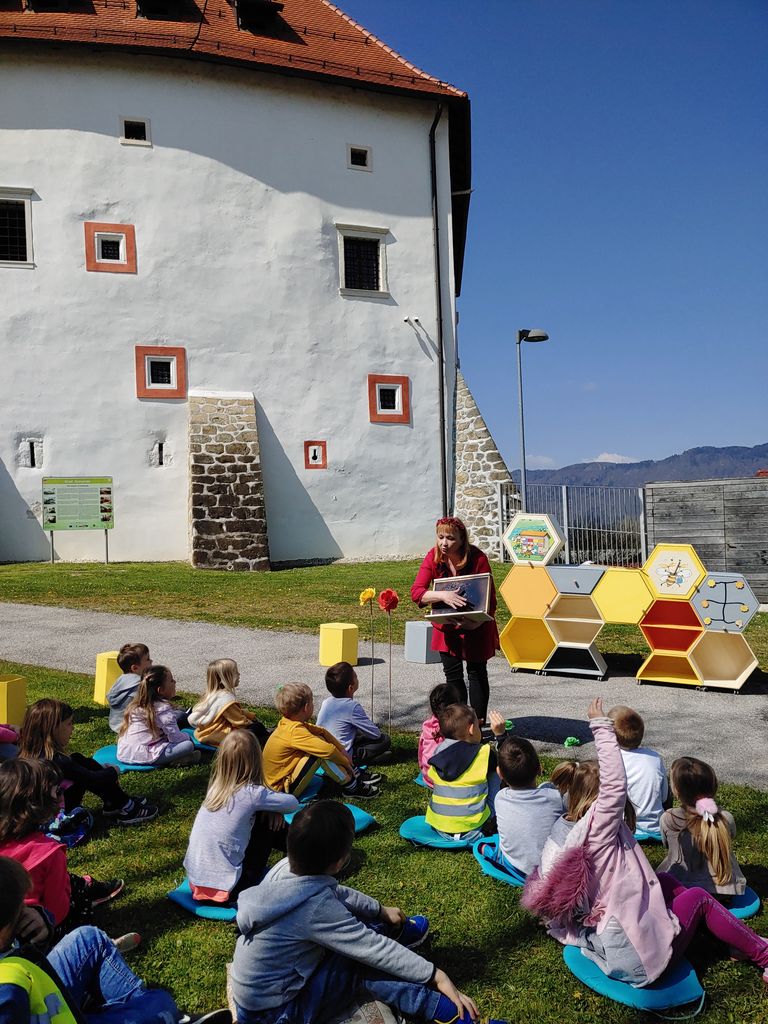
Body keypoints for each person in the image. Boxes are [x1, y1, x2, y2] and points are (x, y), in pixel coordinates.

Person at [522, 698, 768, 988]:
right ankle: (762, 953)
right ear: (601, 804)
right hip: (640, 960)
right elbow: (614, 784)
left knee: (665, 881)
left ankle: (727, 936)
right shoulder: (598, 832)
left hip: (607, 934)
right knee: (699, 899)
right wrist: (600, 725)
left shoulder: (563, 831)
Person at [230, 800, 504, 1024]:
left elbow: (336, 892)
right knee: (360, 963)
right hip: (278, 1014)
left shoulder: (286, 870)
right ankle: (446, 1013)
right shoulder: (316, 908)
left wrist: (381, 911)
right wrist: (436, 975)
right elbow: (373, 949)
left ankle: (398, 933)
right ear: (339, 863)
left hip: (257, 1002)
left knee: (355, 931)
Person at [0, 856, 230, 1024]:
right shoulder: (7, 991)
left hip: (37, 993)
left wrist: (40, 920)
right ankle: (165, 1017)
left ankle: (155, 1014)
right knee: (160, 1003)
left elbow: (28, 957)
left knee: (88, 939)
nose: (24, 913)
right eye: (20, 911)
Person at [0, 759, 123, 933]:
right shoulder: (50, 852)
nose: (62, 796)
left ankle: (84, 885)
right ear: (38, 804)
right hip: (37, 932)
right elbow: (58, 910)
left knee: (70, 880)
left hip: (5, 933)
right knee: (75, 894)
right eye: (58, 791)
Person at [184, 730, 299, 904]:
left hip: (197, 884)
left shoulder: (216, 789)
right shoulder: (252, 794)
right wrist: (271, 810)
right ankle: (307, 855)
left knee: (261, 814)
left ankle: (303, 852)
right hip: (231, 890)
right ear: (256, 760)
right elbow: (292, 803)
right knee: (265, 822)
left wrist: (269, 809)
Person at [410, 517, 499, 723]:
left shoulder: (478, 558)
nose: (444, 543)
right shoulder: (433, 557)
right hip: (447, 628)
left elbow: (490, 599)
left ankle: (477, 724)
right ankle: (459, 723)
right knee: (453, 675)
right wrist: (443, 596)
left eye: (450, 538)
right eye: (440, 537)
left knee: (477, 672)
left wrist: (475, 623)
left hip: (475, 626)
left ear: (462, 539)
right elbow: (417, 592)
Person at [18, 699, 157, 825]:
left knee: (77, 759)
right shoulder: (58, 761)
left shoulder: (28, 756)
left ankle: (113, 802)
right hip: (57, 818)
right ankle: (128, 808)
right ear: (53, 729)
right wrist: (113, 771)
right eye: (69, 723)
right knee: (89, 773)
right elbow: (93, 779)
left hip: (40, 813)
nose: (73, 728)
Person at [262, 684, 376, 800]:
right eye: (312, 702)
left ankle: (352, 774)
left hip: (277, 784)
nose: (313, 705)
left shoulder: (288, 723)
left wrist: (343, 751)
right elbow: (328, 751)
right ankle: (352, 786)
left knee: (319, 740)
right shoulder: (294, 731)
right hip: (280, 791)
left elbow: (322, 732)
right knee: (318, 754)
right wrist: (346, 763)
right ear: (306, 707)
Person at [657, 756, 746, 896]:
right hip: (725, 891)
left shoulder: (669, 819)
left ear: (676, 792)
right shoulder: (725, 818)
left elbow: (666, 844)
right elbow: (732, 836)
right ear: (714, 787)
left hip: (680, 889)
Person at [425, 704, 505, 843]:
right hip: (476, 828)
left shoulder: (438, 752)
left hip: (441, 828)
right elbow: (509, 764)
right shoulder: (484, 753)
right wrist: (501, 736)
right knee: (496, 771)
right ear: (472, 729)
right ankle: (492, 820)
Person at [491, 737, 564, 876]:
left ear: (499, 773)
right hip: (549, 870)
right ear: (539, 769)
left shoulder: (500, 798)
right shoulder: (555, 798)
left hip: (514, 867)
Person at [117, 666, 199, 768]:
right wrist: (188, 737)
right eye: (171, 681)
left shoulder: (137, 705)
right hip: (144, 754)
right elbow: (176, 738)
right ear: (161, 690)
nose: (175, 682)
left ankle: (179, 758)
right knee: (188, 745)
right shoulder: (163, 709)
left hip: (125, 752)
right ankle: (178, 760)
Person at [316, 662, 391, 770]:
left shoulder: (326, 702)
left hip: (324, 752)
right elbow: (375, 735)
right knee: (385, 740)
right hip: (343, 756)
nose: (357, 678)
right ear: (351, 688)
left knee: (358, 734)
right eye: (356, 677)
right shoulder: (352, 707)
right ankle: (362, 759)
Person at [607, 705, 669, 835]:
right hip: (656, 827)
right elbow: (664, 797)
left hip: (625, 827)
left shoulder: (612, 760)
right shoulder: (654, 757)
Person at [187, 659, 269, 748]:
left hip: (205, 732)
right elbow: (239, 722)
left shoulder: (214, 694)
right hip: (218, 735)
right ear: (224, 679)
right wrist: (252, 722)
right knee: (257, 727)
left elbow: (236, 712)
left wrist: (249, 715)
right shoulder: (226, 699)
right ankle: (267, 744)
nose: (239, 674)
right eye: (235, 672)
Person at [417, 683, 461, 788]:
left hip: (427, 775)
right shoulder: (456, 727)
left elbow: (421, 752)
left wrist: (422, 768)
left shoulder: (427, 726)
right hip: (444, 780)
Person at [107, 643, 152, 734]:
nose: (151, 661)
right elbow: (150, 708)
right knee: (177, 715)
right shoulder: (139, 685)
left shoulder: (121, 680)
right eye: (147, 659)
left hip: (116, 725)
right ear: (135, 668)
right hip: (131, 727)